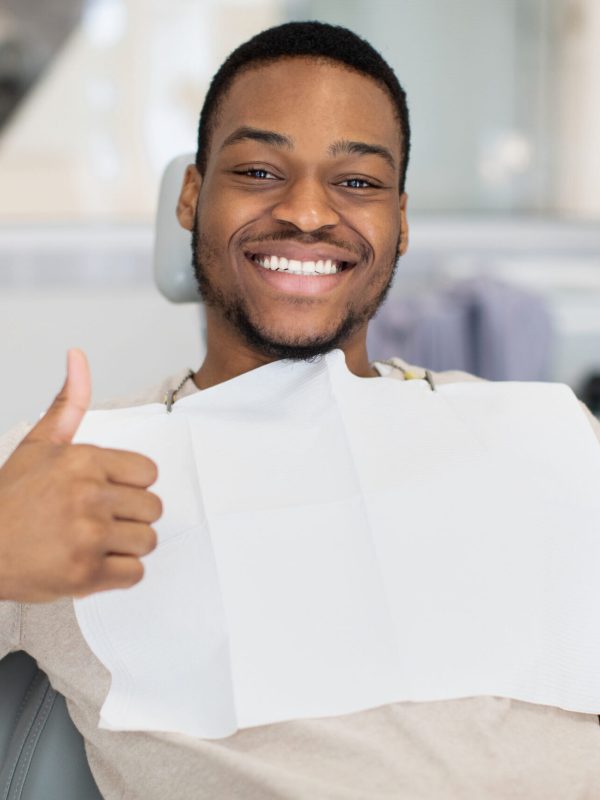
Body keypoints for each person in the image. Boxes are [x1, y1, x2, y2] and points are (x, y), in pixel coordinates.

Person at [1, 20, 600, 800]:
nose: (310, 213)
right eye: (258, 169)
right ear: (192, 196)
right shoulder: (73, 468)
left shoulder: (546, 434)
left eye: (357, 183)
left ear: (402, 221)